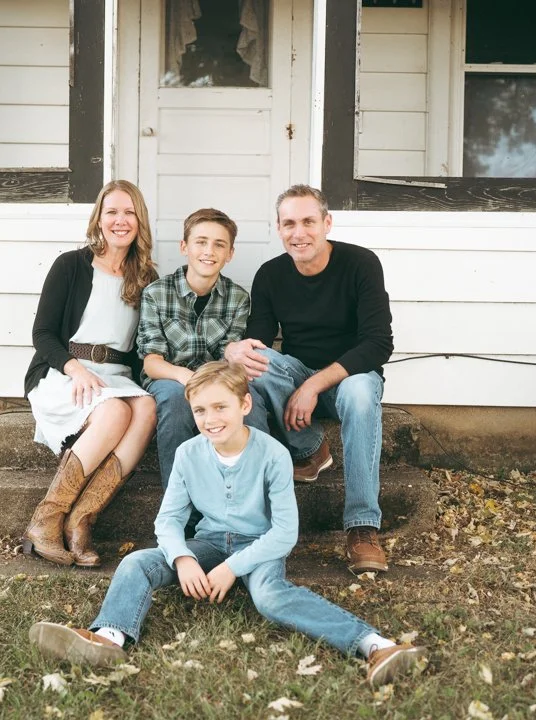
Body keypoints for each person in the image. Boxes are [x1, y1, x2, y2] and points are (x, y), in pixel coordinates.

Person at [28, 361, 427, 689]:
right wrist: (183, 558)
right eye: (200, 410)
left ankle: (375, 645)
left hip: (259, 546)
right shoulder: (188, 454)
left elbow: (284, 534)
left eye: (220, 407)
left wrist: (232, 568)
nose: (210, 419)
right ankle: (108, 636)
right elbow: (168, 520)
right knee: (136, 564)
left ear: (245, 406)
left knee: (269, 598)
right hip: (209, 543)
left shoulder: (272, 454)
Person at [224, 184, 394, 574]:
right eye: (288, 224)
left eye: (308, 222)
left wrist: (314, 386)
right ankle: (307, 453)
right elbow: (260, 344)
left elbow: (378, 343)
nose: (298, 233)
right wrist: (234, 351)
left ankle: (362, 528)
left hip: (351, 378)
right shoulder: (270, 275)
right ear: (279, 228)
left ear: (327, 223)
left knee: (362, 393)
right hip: (297, 373)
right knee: (251, 365)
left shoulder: (360, 263)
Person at [23, 180, 160, 567]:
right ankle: (46, 519)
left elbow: (141, 349)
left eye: (129, 212)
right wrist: (76, 369)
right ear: (99, 219)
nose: (120, 220)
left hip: (117, 376)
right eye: (112, 211)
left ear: (140, 221)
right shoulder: (71, 265)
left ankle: (81, 520)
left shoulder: (146, 277)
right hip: (64, 372)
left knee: (147, 408)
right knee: (115, 411)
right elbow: (43, 335)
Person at [136, 207, 269, 488]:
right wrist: (185, 376)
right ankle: (179, 506)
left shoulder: (237, 298)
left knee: (250, 404)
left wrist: (210, 384)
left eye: (219, 244)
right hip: (169, 379)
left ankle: (247, 495)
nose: (209, 251)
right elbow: (151, 362)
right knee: (175, 400)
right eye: (201, 242)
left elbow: (230, 357)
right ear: (184, 247)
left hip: (218, 378)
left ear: (230, 253)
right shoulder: (156, 293)